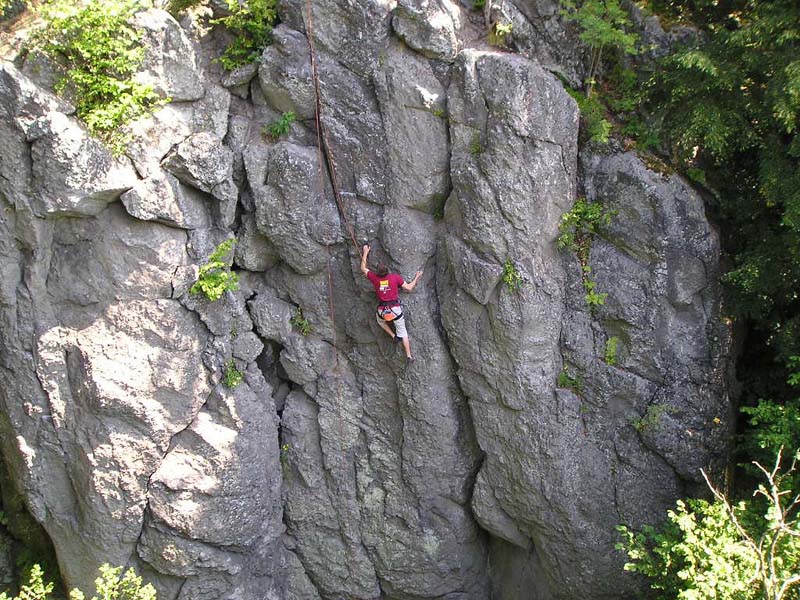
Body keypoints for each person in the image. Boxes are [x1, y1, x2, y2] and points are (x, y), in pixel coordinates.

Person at [360, 244, 422, 361]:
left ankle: (393, 335)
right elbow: (408, 288)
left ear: (378, 272)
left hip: (382, 311)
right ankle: (408, 355)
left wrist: (365, 252)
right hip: (395, 310)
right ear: (387, 271)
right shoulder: (395, 278)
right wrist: (416, 277)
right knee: (403, 333)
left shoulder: (375, 278)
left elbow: (363, 268)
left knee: (380, 322)